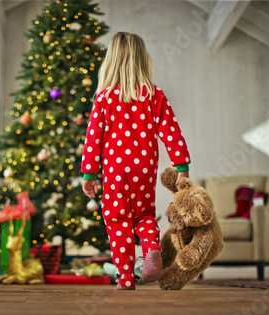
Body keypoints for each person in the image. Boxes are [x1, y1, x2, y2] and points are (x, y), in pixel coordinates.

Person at [81, 32, 191, 290]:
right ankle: (152, 247)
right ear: (143, 60)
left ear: (110, 62)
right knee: (143, 215)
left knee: (117, 219)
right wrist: (181, 167)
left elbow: (93, 139)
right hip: (144, 168)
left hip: (115, 171)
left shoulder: (104, 98)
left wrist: (89, 174)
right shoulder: (154, 94)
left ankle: (126, 277)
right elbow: (171, 132)